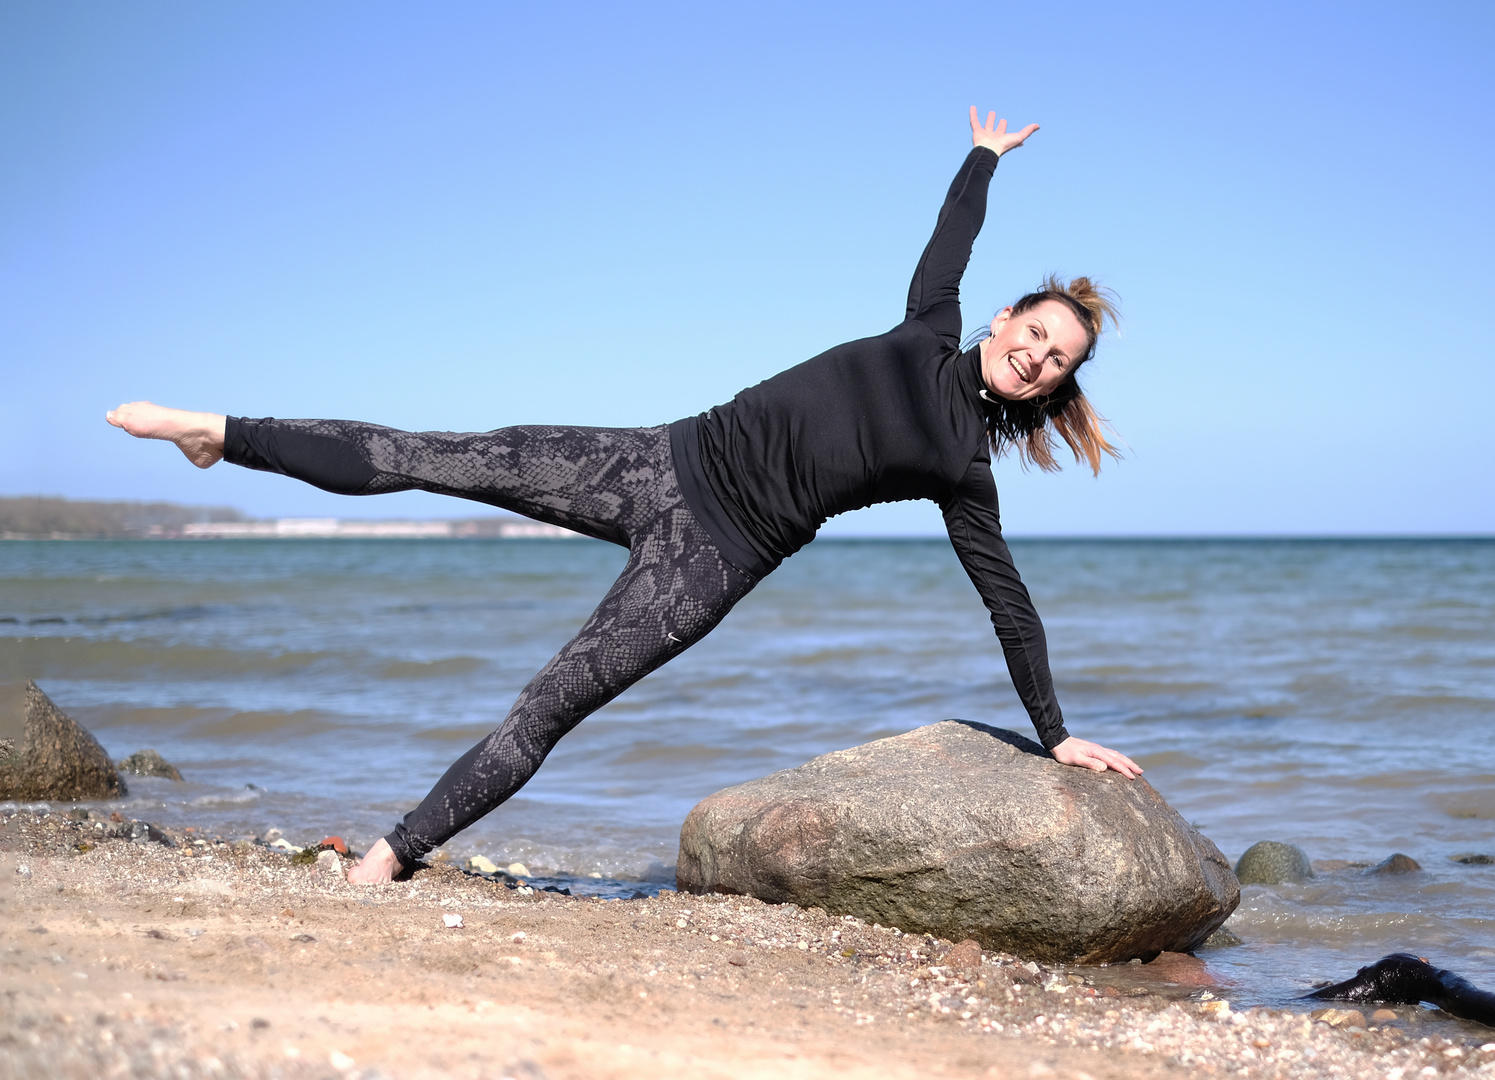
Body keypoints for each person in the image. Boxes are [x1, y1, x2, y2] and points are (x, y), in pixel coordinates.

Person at [107, 106, 1142, 886]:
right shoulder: (927, 323)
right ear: (1004, 317)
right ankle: (217, 432)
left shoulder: (961, 468)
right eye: (1033, 333)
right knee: (435, 454)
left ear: (1053, 382)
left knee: (546, 710)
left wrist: (1053, 733)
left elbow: (1005, 598)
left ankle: (387, 859)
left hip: (713, 562)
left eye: (1054, 361)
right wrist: (984, 156)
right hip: (653, 460)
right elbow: (951, 231)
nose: (1034, 358)